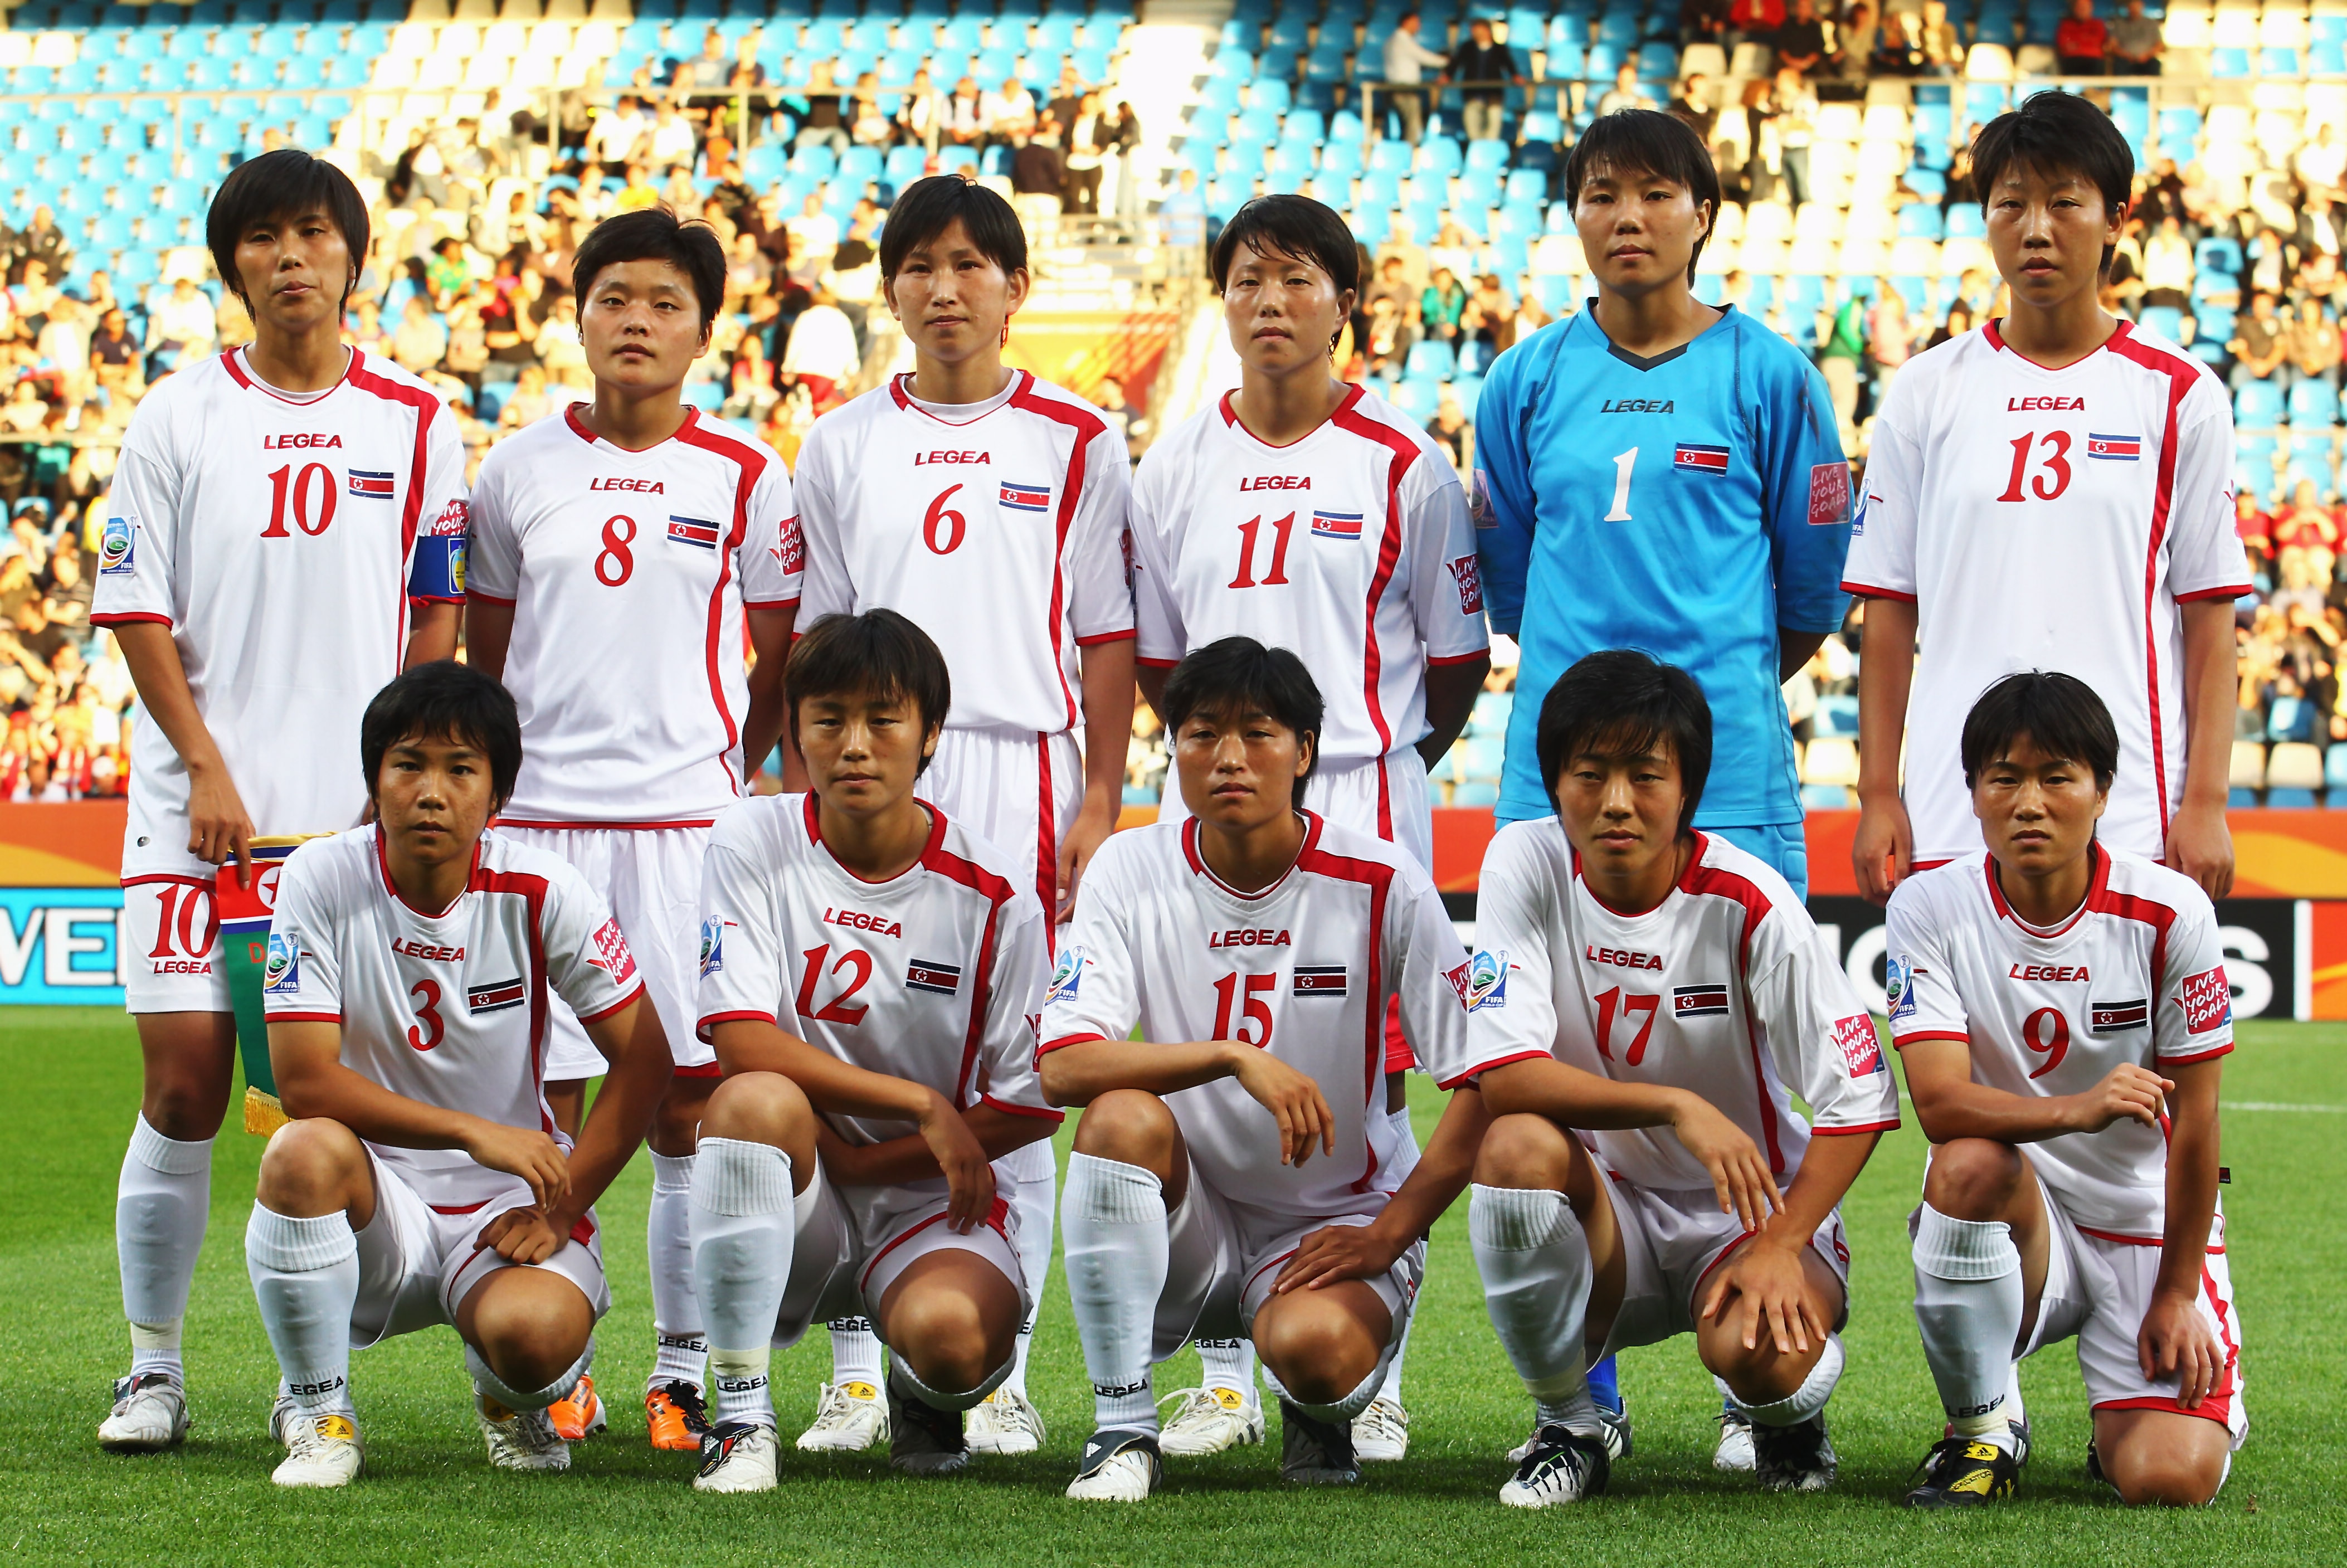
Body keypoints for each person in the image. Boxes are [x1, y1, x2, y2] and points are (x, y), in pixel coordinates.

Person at [1472, 113, 1850, 1459]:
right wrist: (1604, 734)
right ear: (1571, 216)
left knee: (1756, 1070)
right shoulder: (1521, 382)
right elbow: (1513, 583)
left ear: (1703, 210)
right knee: (1553, 1070)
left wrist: (1694, 717)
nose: (1623, 215)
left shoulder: (1769, 376)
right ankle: (1587, 1391)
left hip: (1731, 775)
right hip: (1555, 786)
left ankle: (1765, 1360)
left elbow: (1807, 594)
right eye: (1596, 194)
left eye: (1651, 193)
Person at [90, 149, 469, 1458]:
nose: (292, 257)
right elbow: (136, 608)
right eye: (265, 238)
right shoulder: (175, 417)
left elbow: (437, 614)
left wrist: (403, 783)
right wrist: (201, 762)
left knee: (313, 1107)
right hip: (199, 816)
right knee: (187, 1088)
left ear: (353, 257)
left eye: (315, 233)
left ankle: (309, 1380)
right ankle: (151, 1369)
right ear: (233, 265)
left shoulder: (418, 421)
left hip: (349, 832)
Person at [1125, 196, 1489, 1458]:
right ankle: (1225, 1370)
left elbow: (1450, 666)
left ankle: (1363, 1348)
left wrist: (1367, 765)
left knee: (1369, 1078)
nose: (1266, 301)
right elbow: (1162, 664)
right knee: (1209, 1065)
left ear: (1346, 300)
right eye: (1243, 278)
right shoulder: (1169, 467)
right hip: (1218, 819)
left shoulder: (1404, 466)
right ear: (1218, 300)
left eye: (1293, 278)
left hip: (1361, 811)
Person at [789, 176, 1136, 1458]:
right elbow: (818, 644)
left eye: (970, 265)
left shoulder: (1077, 438)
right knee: (853, 1029)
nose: (945, 288)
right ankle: (849, 1369)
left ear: (1014, 288)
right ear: (889, 291)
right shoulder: (837, 445)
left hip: (1018, 766)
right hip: (876, 759)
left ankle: (1001, 1367)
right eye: (919, 266)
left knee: (1019, 1065)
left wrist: (1100, 797)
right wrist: (805, 773)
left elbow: (1106, 635)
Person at [462, 205, 801, 1455]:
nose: (637, 322)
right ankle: (552, 1375)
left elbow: (779, 659)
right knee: (539, 1111)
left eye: (664, 303)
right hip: (541, 827)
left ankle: (674, 1376)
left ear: (705, 331)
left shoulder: (749, 473)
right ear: (579, 316)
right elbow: (485, 661)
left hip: (684, 829)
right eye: (614, 298)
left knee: (681, 1115)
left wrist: (724, 767)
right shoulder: (514, 470)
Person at [1432, 649, 1893, 1505]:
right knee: (1515, 1145)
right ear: (1554, 780)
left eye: (1645, 775)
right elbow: (1504, 1078)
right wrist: (1677, 1104)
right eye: (1589, 773)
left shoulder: (1752, 901)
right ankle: (1570, 1424)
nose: (1615, 802)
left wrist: (1785, 1242)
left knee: (1778, 1366)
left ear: (1687, 789)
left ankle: (1788, 1421)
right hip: (1610, 1217)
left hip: (1747, 1213)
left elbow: (1860, 1095)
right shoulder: (1522, 864)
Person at [1040, 637, 1487, 1499]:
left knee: (1318, 1353)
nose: (1230, 757)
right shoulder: (1130, 868)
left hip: (1331, 1222)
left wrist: (1392, 1231)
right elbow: (1063, 1067)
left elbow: (1480, 1080)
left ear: (1307, 751)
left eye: (1259, 732)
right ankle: (1123, 1429)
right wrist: (1233, 1055)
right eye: (1202, 733)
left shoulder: (1384, 878)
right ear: (1174, 751)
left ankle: (1316, 1408)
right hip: (1192, 1219)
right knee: (1115, 1118)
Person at [244, 661, 672, 1486]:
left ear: (497, 795)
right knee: (298, 1148)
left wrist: (568, 1198)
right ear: (375, 779)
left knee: (537, 1341)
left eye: (460, 769)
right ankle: (318, 1410)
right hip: (376, 1205)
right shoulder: (319, 876)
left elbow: (647, 1057)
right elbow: (303, 1081)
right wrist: (475, 1130)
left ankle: (513, 1399)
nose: (431, 792)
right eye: (408, 765)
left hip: (506, 1211)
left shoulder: (543, 887)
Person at [1843, 91, 2250, 909]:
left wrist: (2205, 801)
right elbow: (1889, 611)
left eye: (2065, 202)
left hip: (2129, 804)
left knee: (2129, 1042)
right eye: (2011, 205)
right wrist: (1878, 791)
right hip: (1953, 803)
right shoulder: (1925, 391)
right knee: (1950, 1041)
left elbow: (2210, 618)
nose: (2036, 228)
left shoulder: (2181, 395)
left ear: (2116, 220)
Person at [685, 610, 1060, 1491]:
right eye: (829, 718)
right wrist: (919, 1105)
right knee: (746, 1102)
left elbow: (1027, 1101)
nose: (854, 745)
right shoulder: (748, 838)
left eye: (883, 720)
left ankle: (922, 1387)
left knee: (958, 1341)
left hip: (931, 1200)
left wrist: (882, 1156)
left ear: (930, 733)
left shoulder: (999, 893)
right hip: (802, 1180)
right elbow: (742, 1037)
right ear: (793, 730)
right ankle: (739, 1418)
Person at [1887, 673, 2243, 1507]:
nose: (2030, 802)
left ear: (2102, 791)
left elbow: (2197, 1126)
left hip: (2144, 1224)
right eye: (2003, 777)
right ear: (1972, 793)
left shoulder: (2170, 912)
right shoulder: (1929, 907)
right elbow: (1938, 1105)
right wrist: (2076, 1108)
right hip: (2023, 1219)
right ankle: (1984, 1427)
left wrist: (2179, 1292)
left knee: (2169, 1478)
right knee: (1967, 1162)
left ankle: (2128, 1416)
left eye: (2058, 777)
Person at [1448, 17, 1523, 145]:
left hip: (1494, 95)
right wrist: (1447, 75)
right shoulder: (1467, 47)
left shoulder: (1499, 48)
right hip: (1472, 95)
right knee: (1472, 127)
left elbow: (1509, 64)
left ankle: (1489, 150)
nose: (1475, 33)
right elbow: (1456, 63)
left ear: (1487, 31)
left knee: (1494, 126)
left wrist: (1515, 76)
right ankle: (1477, 150)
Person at [1382, 11, 1452, 145]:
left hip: (1397, 88)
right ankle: (1409, 153)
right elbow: (1424, 57)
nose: (1419, 27)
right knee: (1412, 125)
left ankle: (1405, 152)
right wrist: (1449, 62)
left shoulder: (1391, 40)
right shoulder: (1402, 41)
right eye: (1416, 23)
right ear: (1407, 22)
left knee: (1405, 124)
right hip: (1404, 89)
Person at [2107, 0, 2164, 75]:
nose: (2134, 9)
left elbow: (2160, 45)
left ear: (2142, 6)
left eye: (2137, 6)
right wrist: (2125, 55)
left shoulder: (2151, 24)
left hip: (2147, 59)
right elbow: (2113, 45)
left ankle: (2156, 86)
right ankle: (2120, 86)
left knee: (2155, 64)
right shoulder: (2119, 24)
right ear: (2128, 8)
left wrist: (2147, 56)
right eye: (2132, 6)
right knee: (2119, 64)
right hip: (2125, 60)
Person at [2054, 0, 2109, 75]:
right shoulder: (2066, 24)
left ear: (2091, 9)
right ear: (2074, 9)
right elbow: (2063, 44)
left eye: (2085, 8)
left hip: (2094, 60)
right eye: (2080, 8)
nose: (2082, 10)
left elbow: (2098, 42)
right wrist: (2087, 43)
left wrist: (2077, 45)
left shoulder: (2098, 24)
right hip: (2072, 59)